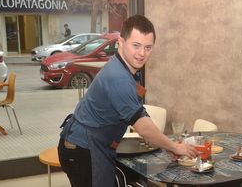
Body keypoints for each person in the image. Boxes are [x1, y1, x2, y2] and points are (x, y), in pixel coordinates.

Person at [58, 15, 198, 187]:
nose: (142, 53)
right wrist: (176, 147)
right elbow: (143, 127)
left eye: (148, 47)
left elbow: (137, 109)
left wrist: (168, 145)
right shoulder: (119, 78)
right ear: (121, 42)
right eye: (136, 45)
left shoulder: (129, 68)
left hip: (96, 145)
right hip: (83, 149)